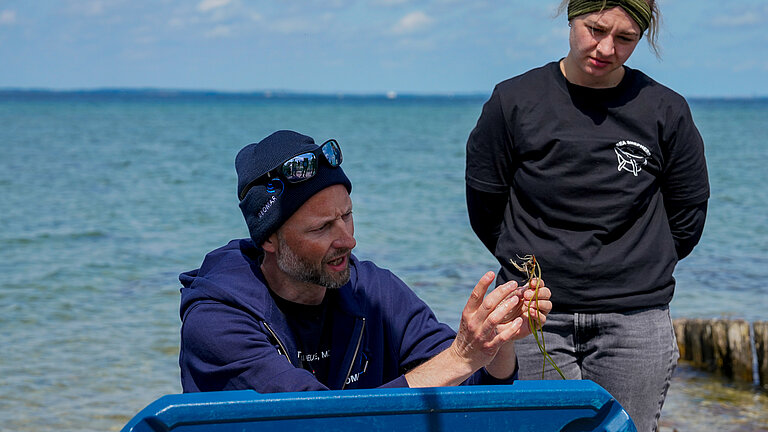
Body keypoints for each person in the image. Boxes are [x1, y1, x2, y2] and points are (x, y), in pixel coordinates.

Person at [464, 1, 709, 431]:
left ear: (641, 38)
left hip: (634, 320)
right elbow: (485, 203)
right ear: (572, 19)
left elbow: (688, 213)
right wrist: (529, 265)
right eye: (594, 29)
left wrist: (637, 267)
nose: (606, 48)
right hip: (533, 314)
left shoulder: (665, 110)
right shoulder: (514, 100)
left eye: (625, 38)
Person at [179, 130, 552, 394]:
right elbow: (316, 421)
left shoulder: (375, 292)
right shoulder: (216, 321)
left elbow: (469, 391)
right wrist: (461, 357)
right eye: (322, 227)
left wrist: (497, 341)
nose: (348, 240)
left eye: (347, 216)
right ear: (270, 239)